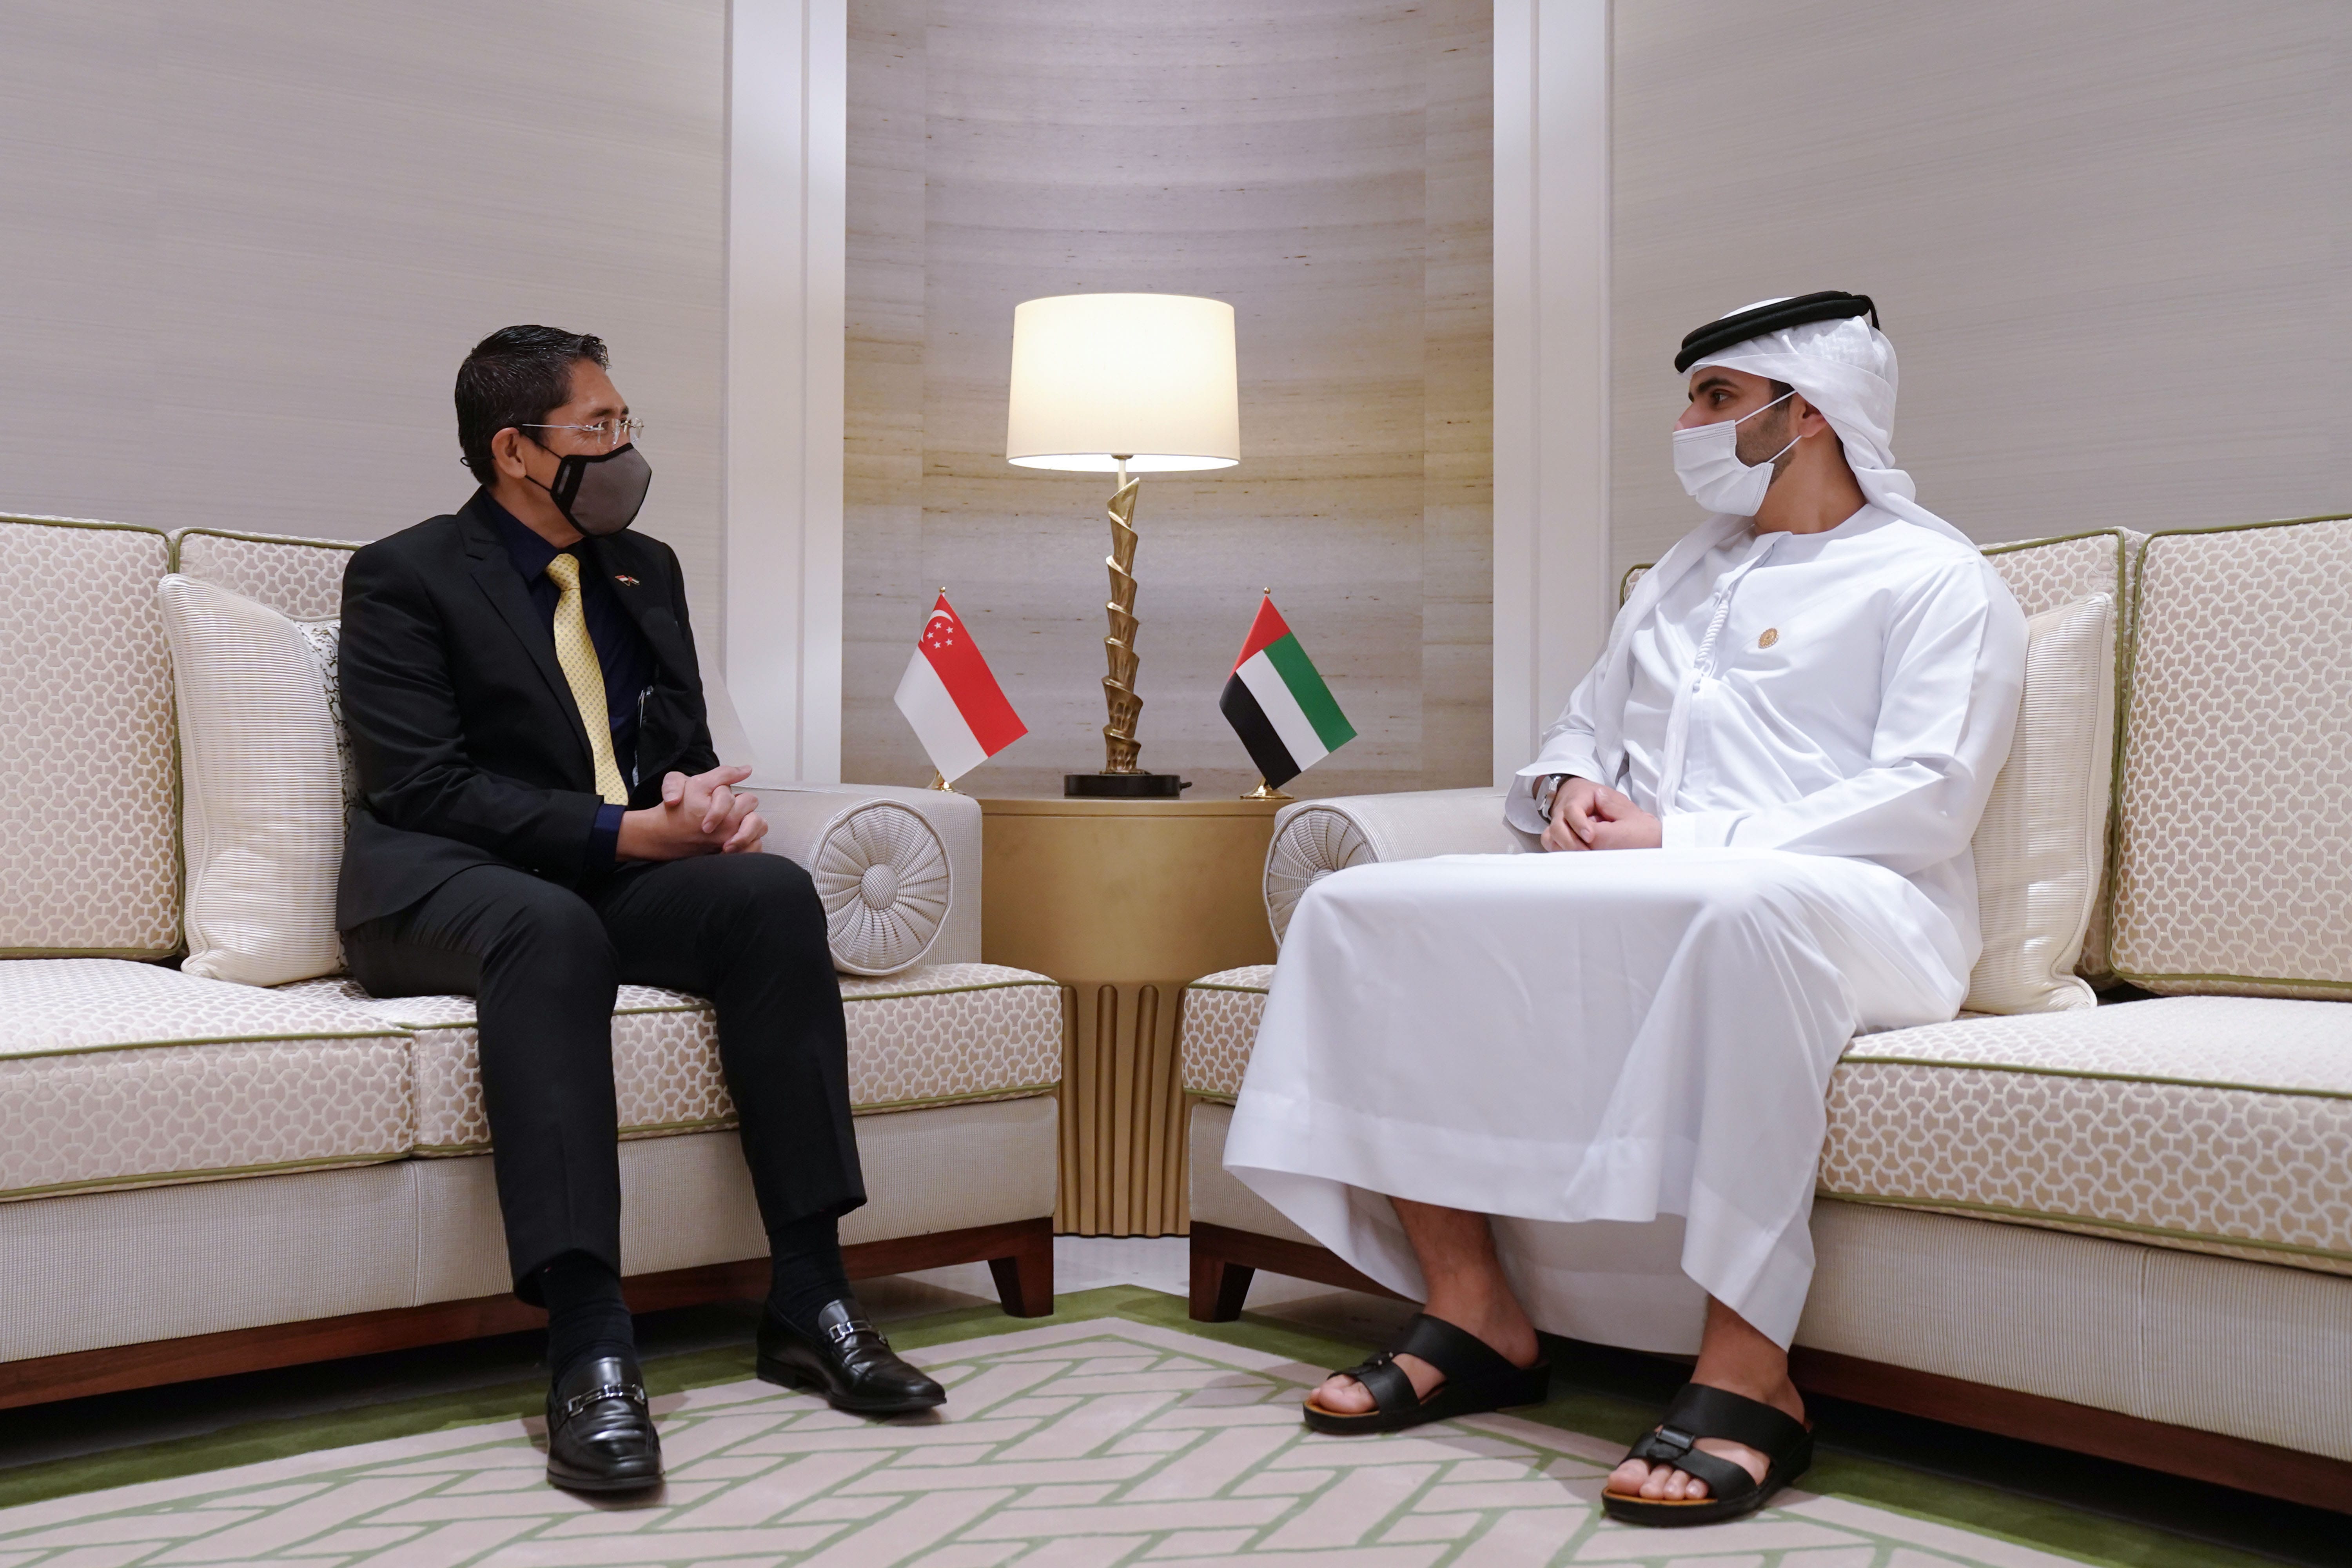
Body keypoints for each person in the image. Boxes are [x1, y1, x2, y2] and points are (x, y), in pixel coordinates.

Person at [1223, 293, 2025, 1527]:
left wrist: (1684, 836)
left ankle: (1754, 1375)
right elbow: (1581, 727)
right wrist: (1571, 791)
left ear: (1803, 413)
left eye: (1714, 398)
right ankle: (1473, 1309)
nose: (1689, 424)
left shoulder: (1935, 578)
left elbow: (1925, 797)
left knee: (1741, 917)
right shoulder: (1683, 575)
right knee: (1365, 906)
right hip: (1651, 882)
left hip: (1858, 907)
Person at [336, 325, 944, 1495]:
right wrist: (621, 833)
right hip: (440, 884)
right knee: (550, 929)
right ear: (516, 451)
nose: (624, 449)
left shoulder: (641, 567)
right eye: (599, 428)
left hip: (601, 870)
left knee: (768, 898)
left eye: (626, 425)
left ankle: (812, 1297)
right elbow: (424, 787)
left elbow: (680, 748)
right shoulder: (406, 576)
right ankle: (590, 1347)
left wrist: (698, 806)